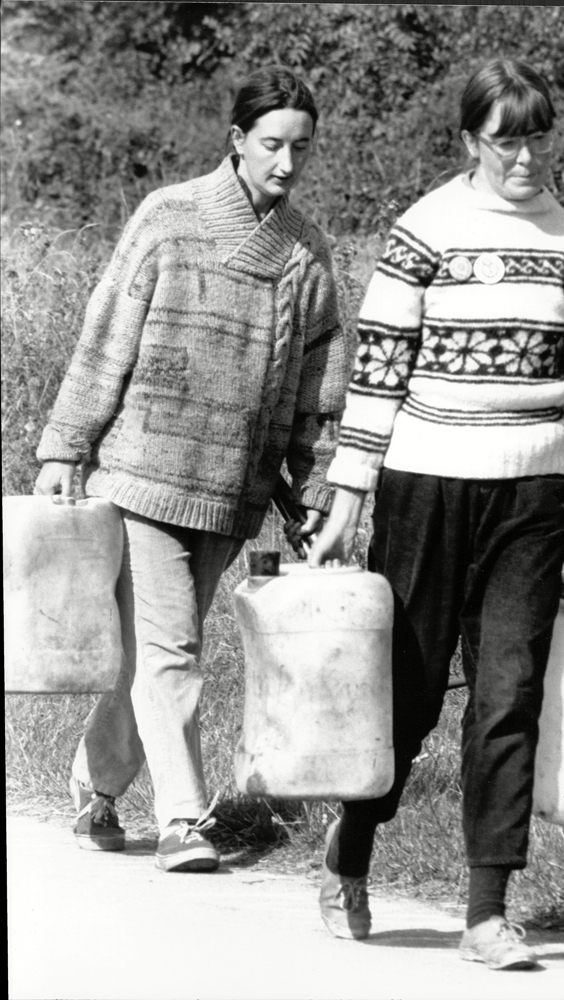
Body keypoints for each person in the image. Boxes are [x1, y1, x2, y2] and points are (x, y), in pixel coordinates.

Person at [308, 57, 564, 970]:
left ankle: (487, 912)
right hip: (426, 486)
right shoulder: (423, 231)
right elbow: (379, 375)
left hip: (533, 495)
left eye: (536, 136)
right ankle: (351, 851)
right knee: (407, 688)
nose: (525, 157)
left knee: (510, 695)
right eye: (505, 138)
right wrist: (346, 497)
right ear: (471, 140)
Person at [34, 66, 349, 873]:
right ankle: (184, 818)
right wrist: (64, 446)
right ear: (237, 140)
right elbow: (107, 335)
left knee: (150, 655)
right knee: (174, 650)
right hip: (140, 474)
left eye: (301, 148)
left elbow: (320, 394)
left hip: (231, 491)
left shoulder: (307, 256)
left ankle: (93, 788)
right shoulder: (168, 219)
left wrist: (312, 495)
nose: (286, 162)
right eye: (272, 144)